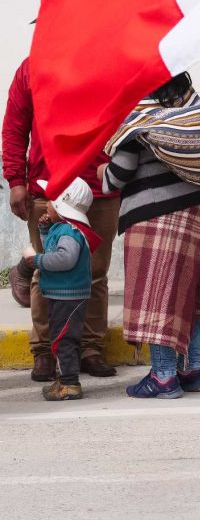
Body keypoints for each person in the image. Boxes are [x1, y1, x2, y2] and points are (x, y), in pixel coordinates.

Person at [101, 72, 200, 399]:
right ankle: (191, 371)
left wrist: (104, 175)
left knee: (159, 294)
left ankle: (163, 376)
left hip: (157, 215)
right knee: (191, 295)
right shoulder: (189, 109)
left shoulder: (139, 116)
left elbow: (120, 172)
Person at [2, 56, 120, 382]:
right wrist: (15, 181)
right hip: (47, 190)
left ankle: (90, 348)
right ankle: (43, 350)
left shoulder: (107, 64)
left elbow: (127, 120)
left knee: (95, 273)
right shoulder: (30, 69)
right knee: (46, 271)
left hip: (100, 188)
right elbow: (14, 126)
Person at [24, 178, 102, 401]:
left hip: (68, 296)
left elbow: (65, 258)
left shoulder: (69, 232)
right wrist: (45, 229)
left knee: (64, 339)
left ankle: (70, 384)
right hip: (63, 295)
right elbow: (54, 247)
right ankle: (66, 379)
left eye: (51, 200)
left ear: (62, 205)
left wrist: (37, 261)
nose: (47, 204)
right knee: (62, 337)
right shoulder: (64, 229)